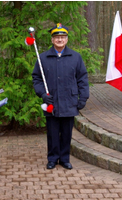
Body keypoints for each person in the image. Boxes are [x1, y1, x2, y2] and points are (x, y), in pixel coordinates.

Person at [32, 23, 90, 170]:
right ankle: (52, 159)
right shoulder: (43, 58)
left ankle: (65, 159)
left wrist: (83, 97)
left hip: (69, 102)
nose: (60, 40)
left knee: (66, 133)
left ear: (67, 39)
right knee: (52, 133)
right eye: (57, 37)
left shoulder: (75, 57)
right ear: (52, 40)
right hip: (51, 102)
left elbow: (82, 78)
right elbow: (37, 79)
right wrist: (43, 95)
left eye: (62, 37)